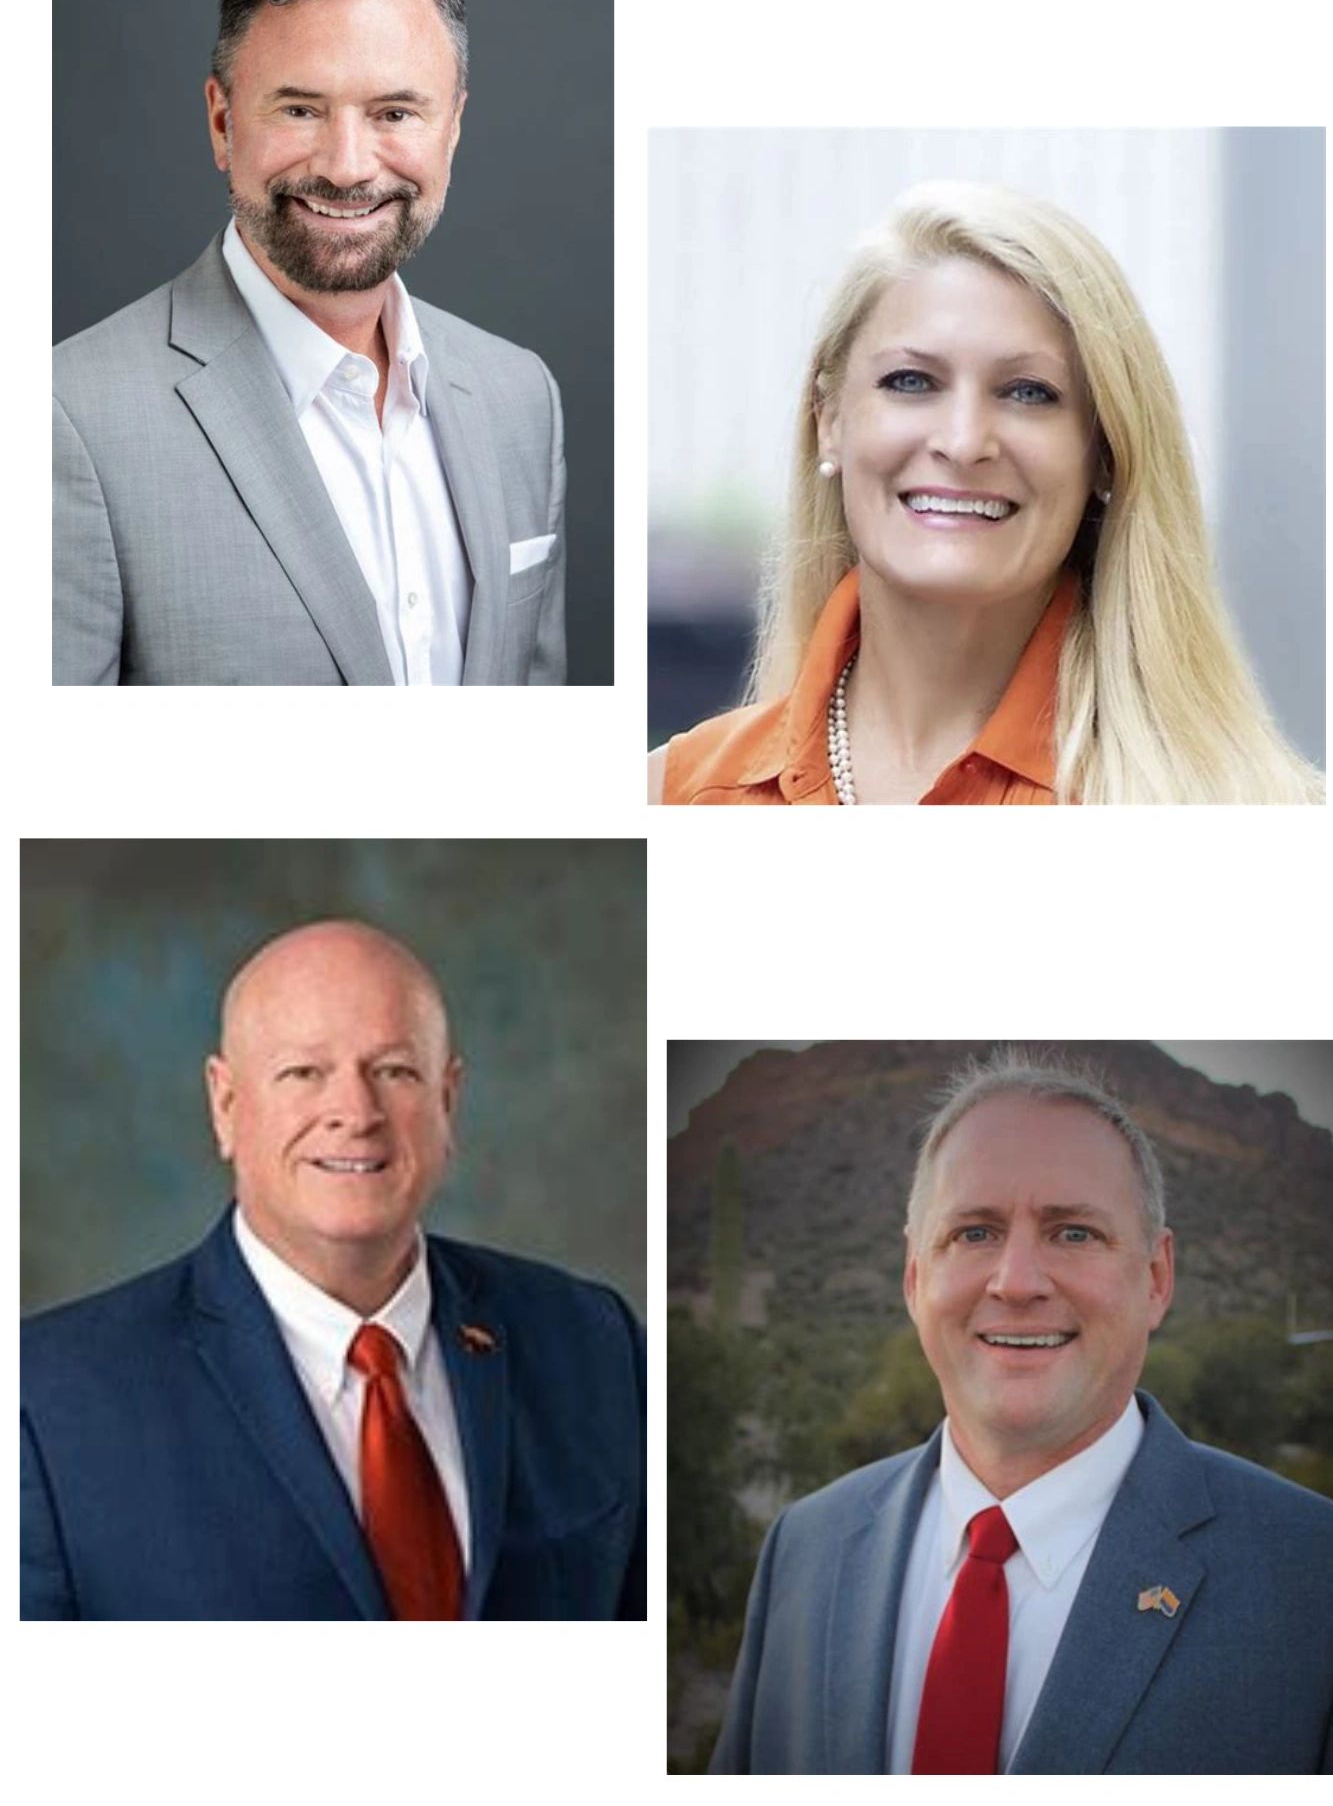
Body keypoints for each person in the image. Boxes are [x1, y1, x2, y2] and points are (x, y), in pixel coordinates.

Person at [710, 1054, 1333, 1772]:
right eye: (973, 1233)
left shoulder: (1310, 1579)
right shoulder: (805, 1547)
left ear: (1156, 1278)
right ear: (915, 1278)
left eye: (1072, 1232)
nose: (1015, 1282)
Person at [21, 920, 643, 1620]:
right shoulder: (47, 1402)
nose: (355, 1112)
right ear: (226, 1106)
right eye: (303, 1073)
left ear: (447, 1100)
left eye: (393, 1071)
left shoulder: (593, 1342)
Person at [651, 182, 1320, 803]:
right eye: (911, 381)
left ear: (1106, 455)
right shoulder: (671, 796)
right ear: (827, 422)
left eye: (1028, 393)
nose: (964, 441)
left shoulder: (1255, 809)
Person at [54, 0, 565, 685]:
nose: (348, 166)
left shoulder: (521, 395)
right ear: (223, 122)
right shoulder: (67, 417)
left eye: (395, 113)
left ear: (451, 128)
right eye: (300, 109)